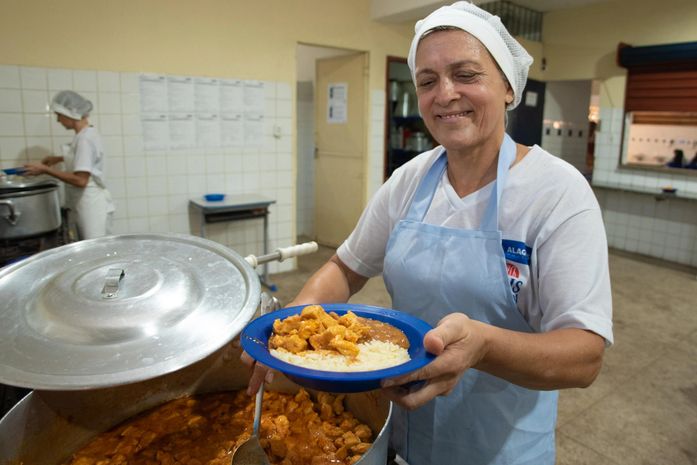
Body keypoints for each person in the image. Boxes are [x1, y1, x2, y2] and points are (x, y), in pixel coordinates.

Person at [245, 2, 613, 464]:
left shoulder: (556, 192)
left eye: (466, 74)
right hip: (401, 433)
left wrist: (483, 345)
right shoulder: (411, 179)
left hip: (497, 445)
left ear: (507, 87)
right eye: (427, 81)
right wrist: (291, 332)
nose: (445, 94)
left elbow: (584, 356)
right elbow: (345, 266)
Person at [24, 90, 115, 240]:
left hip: (91, 207)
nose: (58, 120)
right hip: (89, 204)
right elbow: (87, 160)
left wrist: (45, 170)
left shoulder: (84, 139)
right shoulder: (88, 134)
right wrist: (59, 158)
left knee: (94, 253)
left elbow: (80, 180)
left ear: (70, 113)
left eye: (59, 115)